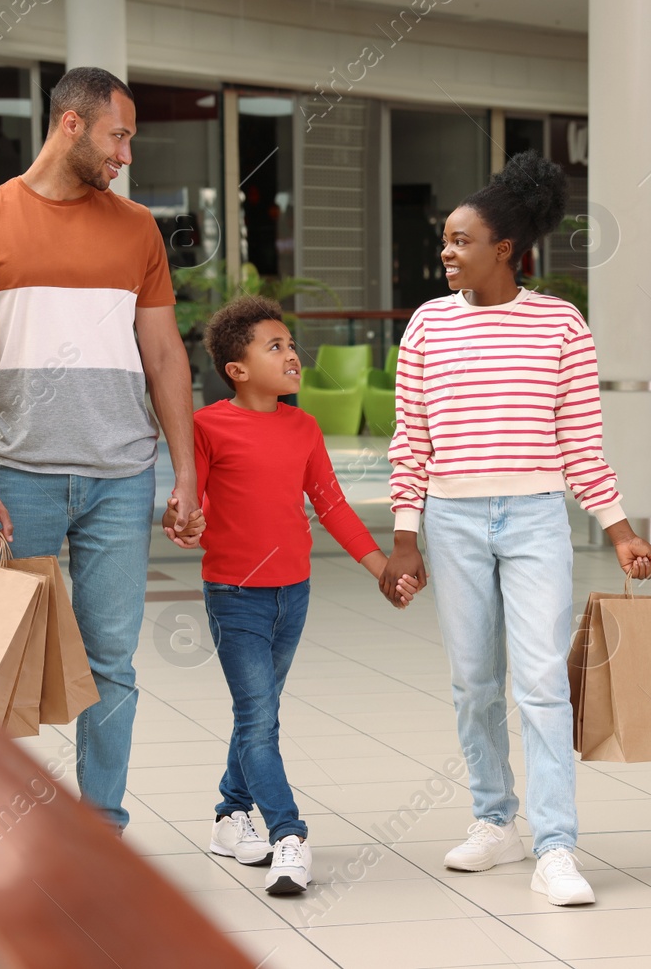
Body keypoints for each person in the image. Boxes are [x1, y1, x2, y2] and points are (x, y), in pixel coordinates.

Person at [381, 150, 651, 907]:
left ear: (504, 249)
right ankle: (494, 818)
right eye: (444, 239)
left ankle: (557, 845)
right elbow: (412, 441)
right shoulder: (427, 327)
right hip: (453, 520)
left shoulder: (560, 324)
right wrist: (406, 537)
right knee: (473, 681)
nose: (446, 250)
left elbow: (581, 444)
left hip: (536, 517)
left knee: (539, 681)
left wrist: (621, 530)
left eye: (460, 240)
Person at [0, 67, 203, 835]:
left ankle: (101, 833)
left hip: (121, 477)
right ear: (73, 125)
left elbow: (163, 355)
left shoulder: (137, 230)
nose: (126, 154)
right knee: (1, 659)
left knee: (112, 660)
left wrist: (184, 472)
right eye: (119, 136)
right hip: (19, 473)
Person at [164, 296, 419, 895]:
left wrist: (382, 567)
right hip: (234, 595)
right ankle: (289, 835)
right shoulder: (206, 426)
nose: (292, 355)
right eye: (274, 347)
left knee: (259, 713)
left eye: (290, 344)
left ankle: (230, 816)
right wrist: (183, 521)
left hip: (293, 595)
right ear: (237, 368)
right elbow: (187, 502)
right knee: (259, 718)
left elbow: (330, 505)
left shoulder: (303, 427)